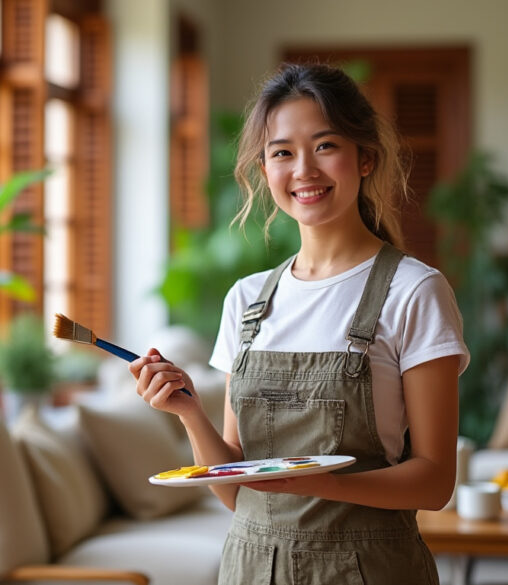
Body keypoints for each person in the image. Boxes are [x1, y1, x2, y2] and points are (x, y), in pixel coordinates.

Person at [130, 62, 469, 585]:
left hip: (371, 571)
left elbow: (434, 482)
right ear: (264, 171)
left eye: (325, 146)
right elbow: (235, 490)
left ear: (364, 159)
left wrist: (312, 484)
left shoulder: (414, 291)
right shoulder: (245, 300)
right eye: (282, 152)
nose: (304, 170)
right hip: (249, 569)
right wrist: (189, 414)